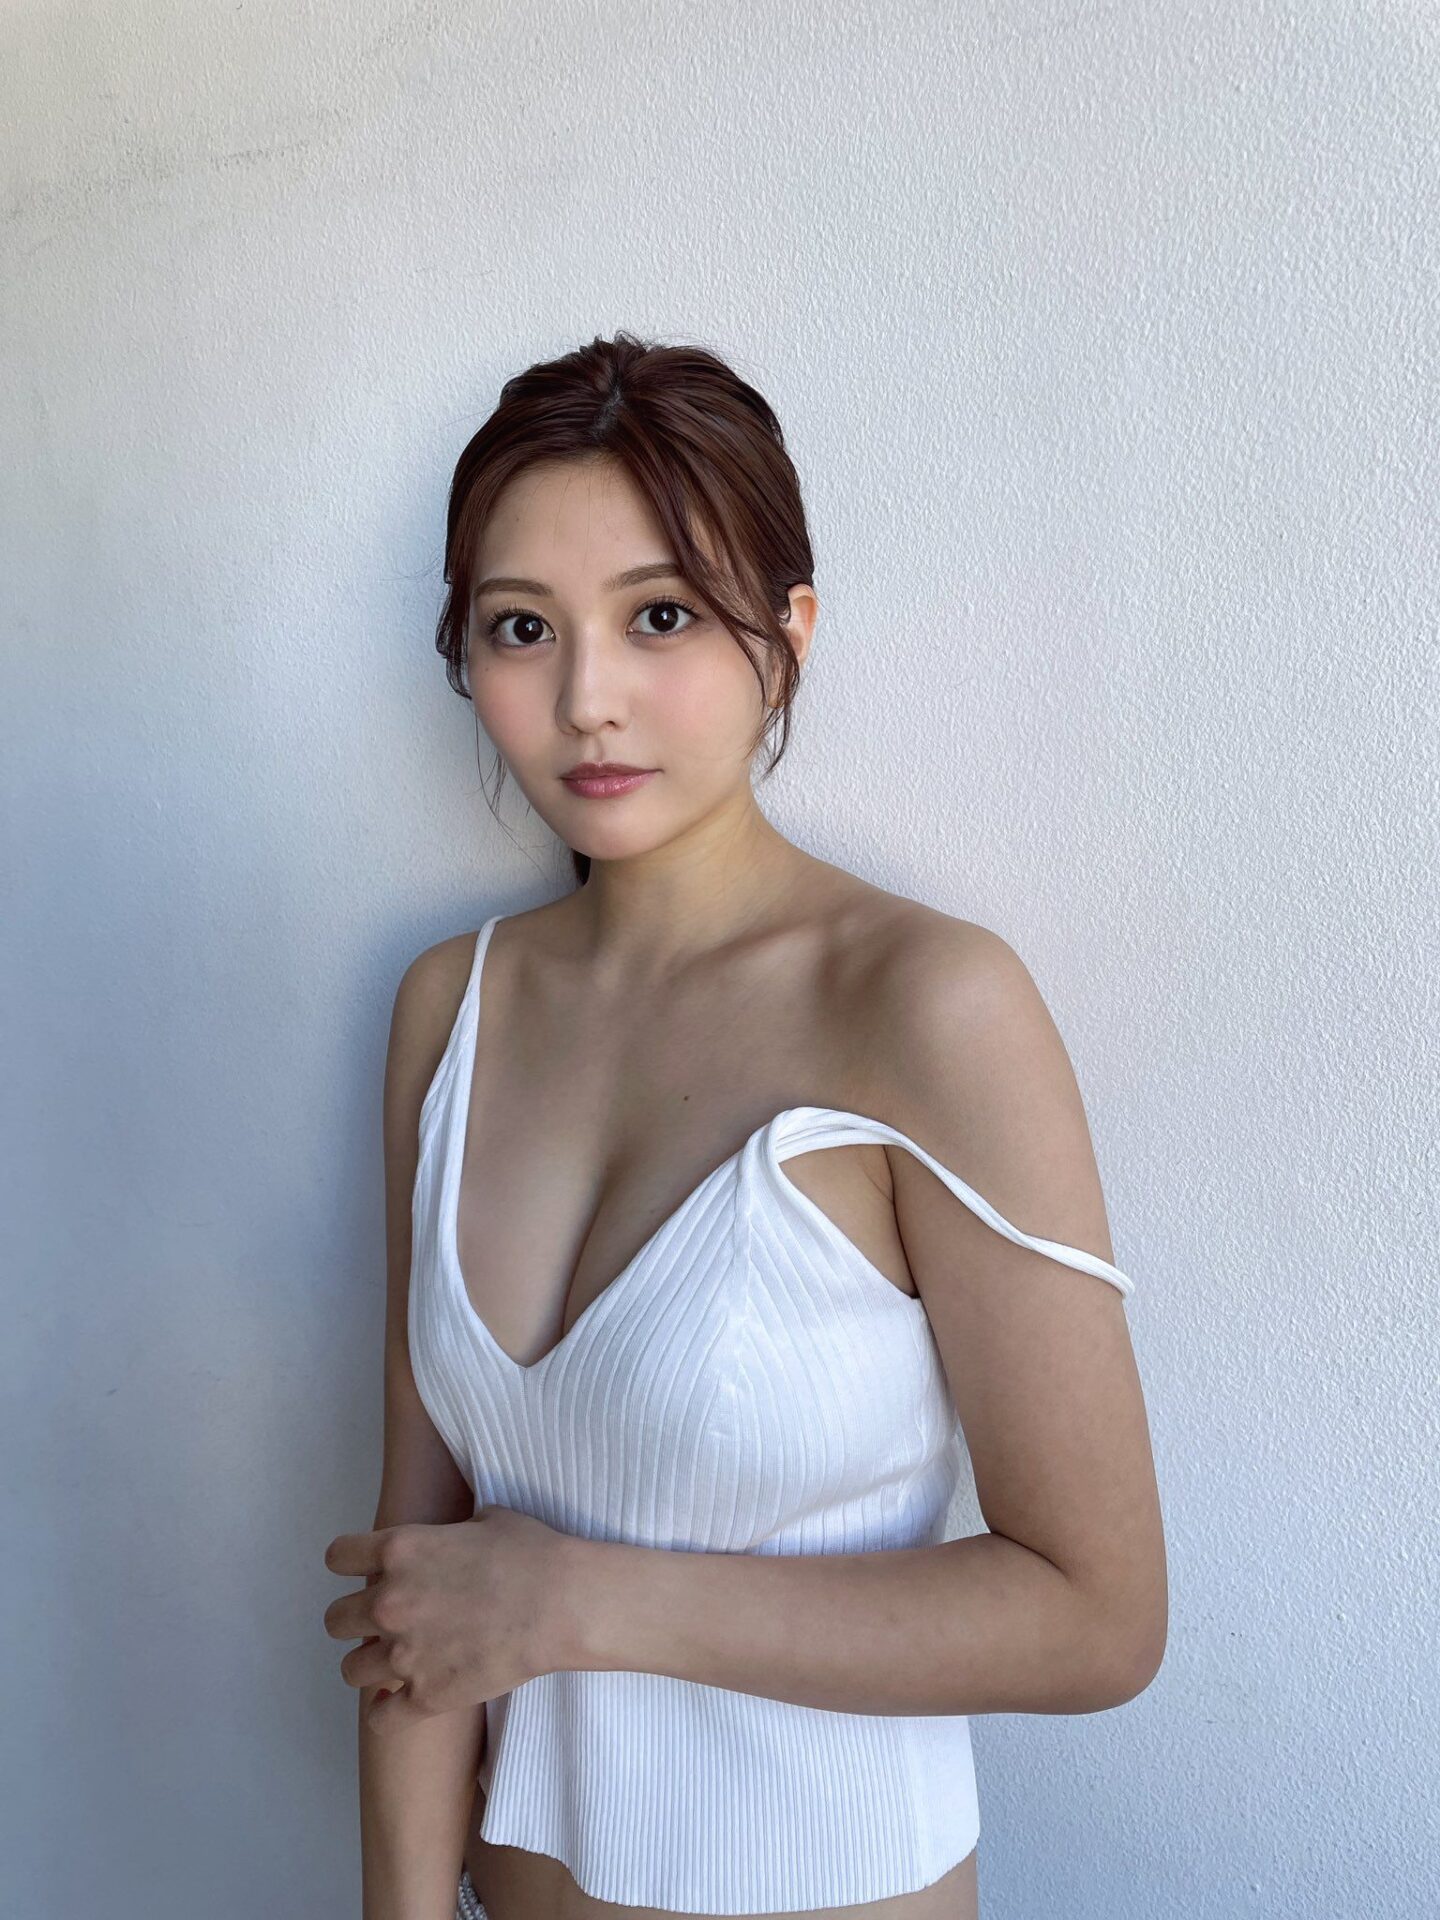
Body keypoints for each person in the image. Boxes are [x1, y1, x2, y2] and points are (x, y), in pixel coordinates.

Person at [323, 331, 1168, 1920]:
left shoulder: (929, 1006)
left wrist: (580, 1603)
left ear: (789, 636)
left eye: (661, 615)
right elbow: (419, 1587)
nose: (588, 700)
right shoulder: (453, 1006)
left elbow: (1099, 1618)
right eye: (522, 628)